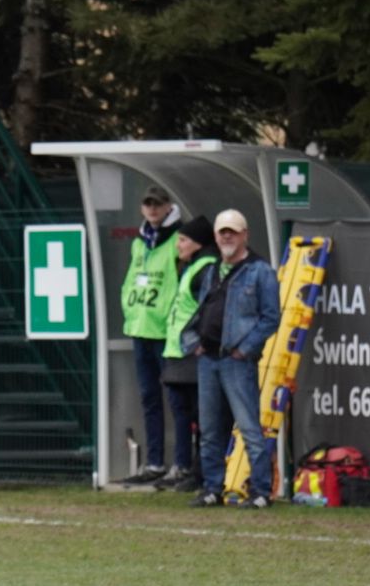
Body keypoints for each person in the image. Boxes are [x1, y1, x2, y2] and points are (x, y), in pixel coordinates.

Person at [186, 209, 282, 509]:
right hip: (208, 358)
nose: (227, 236)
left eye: (233, 232)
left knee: (250, 427)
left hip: (236, 361)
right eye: (222, 232)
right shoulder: (212, 270)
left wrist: (245, 348)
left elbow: (271, 317)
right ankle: (213, 488)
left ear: (245, 235)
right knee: (209, 430)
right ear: (215, 237)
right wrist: (194, 342)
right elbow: (201, 308)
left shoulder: (260, 271)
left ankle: (261, 491)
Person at [119, 185, 182, 483]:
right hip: (140, 329)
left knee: (177, 400)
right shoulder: (139, 242)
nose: (152, 209)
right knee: (149, 398)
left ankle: (182, 463)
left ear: (169, 206)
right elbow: (131, 281)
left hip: (166, 333)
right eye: (148, 204)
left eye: (157, 204)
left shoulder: (178, 240)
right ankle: (154, 463)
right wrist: (130, 311)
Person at [156, 215, 218, 493]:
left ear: (197, 243)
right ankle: (187, 467)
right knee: (185, 415)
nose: (177, 245)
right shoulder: (193, 267)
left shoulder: (206, 270)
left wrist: (199, 342)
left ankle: (201, 471)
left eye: (182, 240)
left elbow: (208, 311)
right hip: (179, 354)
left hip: (192, 355)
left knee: (201, 417)